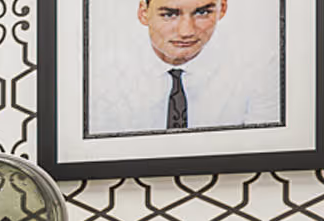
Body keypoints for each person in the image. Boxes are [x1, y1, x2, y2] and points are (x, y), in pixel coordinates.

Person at [86, 0, 281, 136]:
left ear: (223, 8)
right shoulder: (102, 76)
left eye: (203, 12)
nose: (186, 31)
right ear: (143, 12)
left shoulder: (259, 69)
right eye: (169, 14)